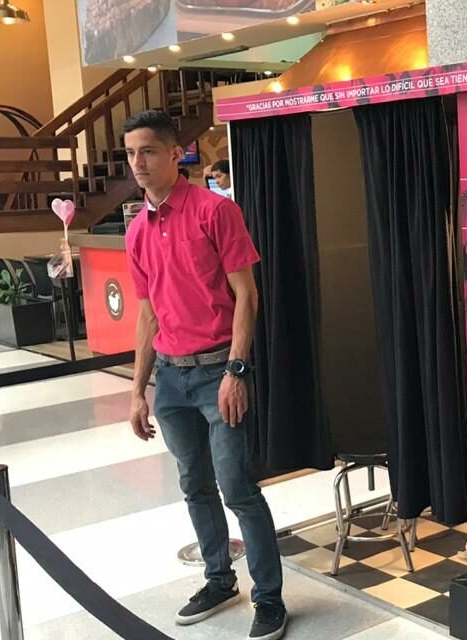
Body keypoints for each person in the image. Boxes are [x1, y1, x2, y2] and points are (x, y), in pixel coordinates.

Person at [123, 111, 286, 640]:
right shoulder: (136, 231)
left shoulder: (215, 211)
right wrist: (138, 391)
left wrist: (237, 370)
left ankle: (269, 598)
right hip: (170, 380)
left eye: (148, 151)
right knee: (194, 484)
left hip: (219, 371)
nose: (138, 162)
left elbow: (247, 295)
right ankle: (219, 580)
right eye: (131, 153)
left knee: (237, 487)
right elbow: (147, 315)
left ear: (176, 154)